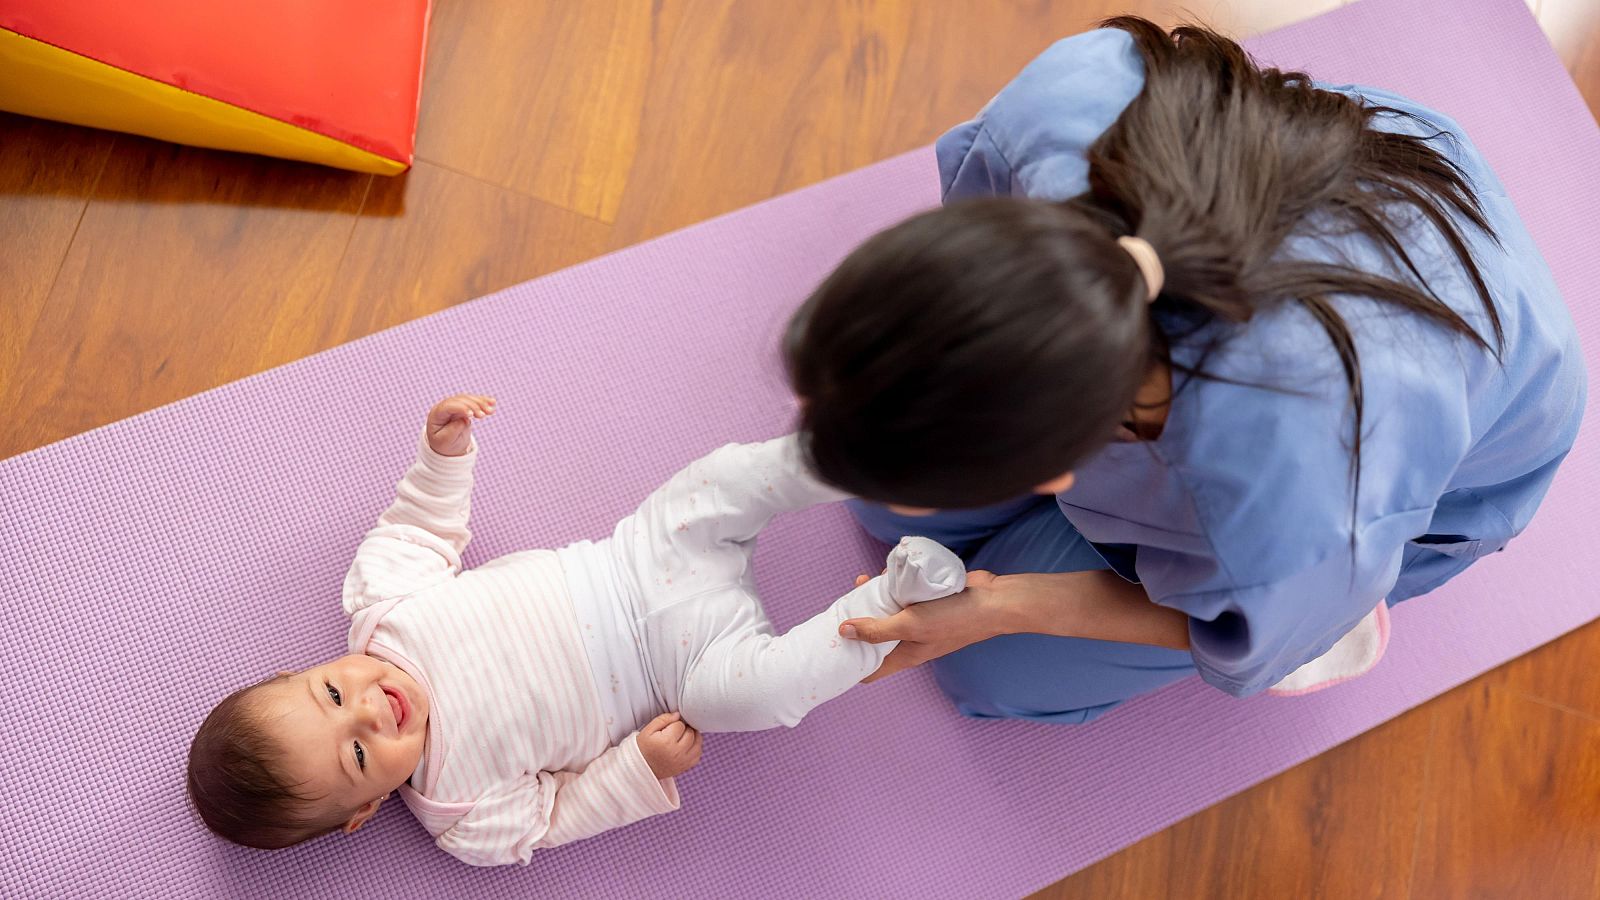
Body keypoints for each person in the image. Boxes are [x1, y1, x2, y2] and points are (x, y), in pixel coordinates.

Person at [784, 18, 1585, 723]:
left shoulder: (1294, 498)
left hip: (1404, 437)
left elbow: (1240, 609)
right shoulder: (1065, 108)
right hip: (1329, 237)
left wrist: (1005, 607)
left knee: (982, 668)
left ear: (1068, 468)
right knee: (890, 519)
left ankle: (1339, 612)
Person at [187, 394, 964, 863]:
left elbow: (421, 527)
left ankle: (860, 456)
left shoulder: (384, 609)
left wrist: (443, 453)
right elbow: (561, 814)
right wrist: (636, 765)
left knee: (718, 480)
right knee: (762, 699)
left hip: (637, 559)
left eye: (331, 692)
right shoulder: (461, 816)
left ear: (305, 666)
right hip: (684, 669)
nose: (367, 708)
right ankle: (895, 604)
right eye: (358, 753)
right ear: (364, 811)